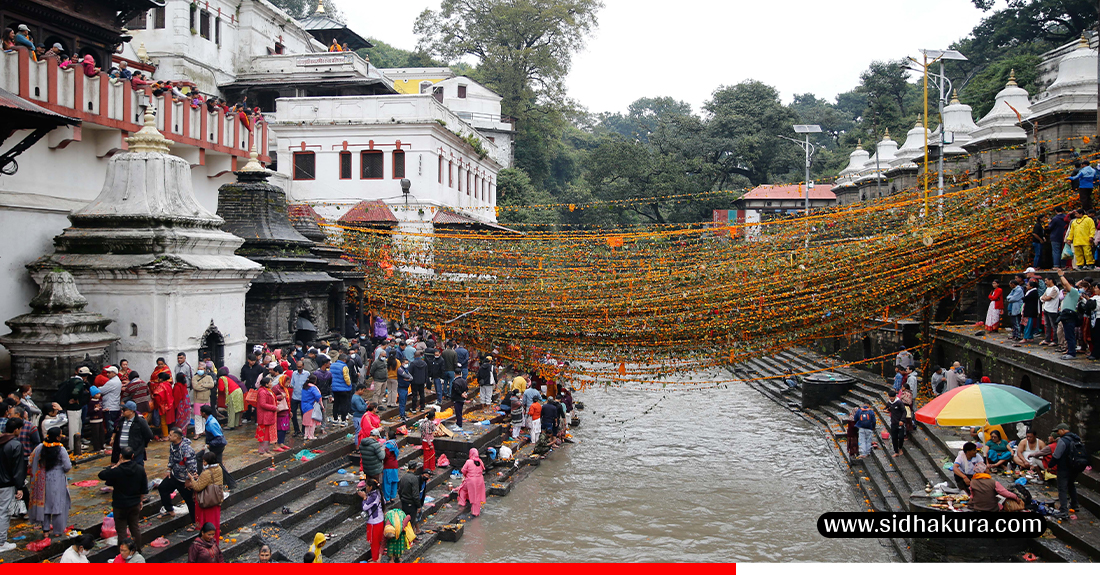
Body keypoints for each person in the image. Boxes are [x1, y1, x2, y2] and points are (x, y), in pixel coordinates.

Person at [98, 446, 148, 548]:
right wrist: (141, 500)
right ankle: (137, 549)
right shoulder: (140, 469)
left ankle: (123, 552)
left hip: (120, 504)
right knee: (135, 528)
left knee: (121, 531)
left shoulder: (117, 470)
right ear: (133, 456)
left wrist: (116, 465)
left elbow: (101, 475)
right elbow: (144, 487)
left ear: (120, 456)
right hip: (134, 503)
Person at [27, 426, 71, 540]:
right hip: (57, 479)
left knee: (45, 505)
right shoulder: (61, 449)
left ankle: (45, 531)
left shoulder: (40, 448)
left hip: (42, 480)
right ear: (57, 437)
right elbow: (67, 466)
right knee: (57, 504)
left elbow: (31, 461)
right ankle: (57, 531)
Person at [158, 427, 196, 525]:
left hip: (184, 479)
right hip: (174, 475)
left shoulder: (186, 449)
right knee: (163, 488)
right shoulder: (173, 445)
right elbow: (172, 458)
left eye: (170, 435)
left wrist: (189, 480)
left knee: (190, 502)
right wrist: (169, 469)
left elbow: (192, 466)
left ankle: (195, 522)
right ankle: (169, 510)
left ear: (176, 436)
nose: (169, 437)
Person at [0, 417, 26, 553]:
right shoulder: (15, 445)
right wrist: (19, 486)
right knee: (4, 512)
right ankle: (1, 542)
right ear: (16, 430)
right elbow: (18, 468)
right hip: (6, 483)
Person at [1051, 422, 1086, 517]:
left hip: (1064, 468)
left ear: (1063, 430)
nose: (1057, 433)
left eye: (1058, 431)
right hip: (1075, 467)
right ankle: (1075, 505)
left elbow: (1056, 455)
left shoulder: (1063, 441)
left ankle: (1063, 511)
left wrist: (1050, 465)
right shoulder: (1077, 439)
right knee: (1071, 485)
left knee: (1062, 488)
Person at [198, 405, 236, 489]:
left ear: (204, 413)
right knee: (218, 464)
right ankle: (230, 483)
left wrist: (209, 445)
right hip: (217, 446)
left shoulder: (211, 423)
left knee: (199, 457)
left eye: (201, 412)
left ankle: (200, 478)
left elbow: (219, 438)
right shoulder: (210, 420)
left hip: (216, 447)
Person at [188, 451, 224, 538]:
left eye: (204, 461)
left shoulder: (207, 473)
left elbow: (197, 487)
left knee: (207, 523)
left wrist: (192, 479)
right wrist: (200, 478)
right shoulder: (219, 468)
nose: (203, 463)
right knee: (215, 523)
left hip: (207, 501)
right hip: (216, 498)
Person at [1055, 269, 1085, 359]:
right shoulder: (1068, 293)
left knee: (1070, 335)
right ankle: (1070, 351)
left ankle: (1072, 353)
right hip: (1065, 315)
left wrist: (1061, 275)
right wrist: (1061, 277)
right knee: (1067, 335)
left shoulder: (1074, 292)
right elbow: (1064, 284)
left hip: (1070, 315)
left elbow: (1066, 284)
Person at [359, 479, 385, 562]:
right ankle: (376, 557)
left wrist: (364, 498)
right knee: (378, 541)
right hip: (379, 520)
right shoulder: (378, 493)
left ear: (370, 487)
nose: (365, 488)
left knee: (374, 542)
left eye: (366, 486)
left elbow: (365, 507)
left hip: (374, 522)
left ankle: (375, 559)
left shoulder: (373, 496)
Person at [457, 447, 486, 517]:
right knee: (477, 496)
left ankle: (462, 502)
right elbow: (482, 470)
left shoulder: (469, 462)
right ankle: (476, 511)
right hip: (480, 481)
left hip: (471, 481)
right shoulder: (480, 461)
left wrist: (465, 475)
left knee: (462, 489)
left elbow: (463, 470)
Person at [397, 462, 424, 533]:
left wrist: (402, 498)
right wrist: (418, 506)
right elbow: (415, 494)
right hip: (411, 503)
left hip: (404, 502)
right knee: (411, 522)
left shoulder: (403, 477)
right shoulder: (414, 479)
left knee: (405, 520)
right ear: (415, 468)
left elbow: (399, 491)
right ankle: (410, 539)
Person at [255, 376, 278, 454]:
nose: (271, 384)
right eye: (270, 382)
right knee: (264, 434)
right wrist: (274, 407)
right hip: (264, 416)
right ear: (266, 384)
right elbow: (262, 404)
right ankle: (262, 450)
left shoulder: (268, 391)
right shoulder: (262, 392)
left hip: (269, 415)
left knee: (268, 434)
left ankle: (266, 449)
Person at [331, 354, 353, 424]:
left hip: (334, 388)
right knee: (344, 404)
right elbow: (346, 377)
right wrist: (349, 384)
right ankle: (343, 419)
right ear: (344, 360)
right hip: (344, 388)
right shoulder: (344, 366)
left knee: (336, 403)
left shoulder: (332, 365)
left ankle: (335, 418)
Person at [885, 390, 906, 457]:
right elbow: (886, 408)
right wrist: (886, 410)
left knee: (901, 437)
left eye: (892, 397)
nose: (891, 399)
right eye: (890, 397)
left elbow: (904, 411)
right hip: (893, 422)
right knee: (894, 437)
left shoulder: (899, 403)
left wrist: (902, 420)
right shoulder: (889, 403)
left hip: (899, 422)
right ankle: (896, 451)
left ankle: (900, 448)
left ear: (895, 396)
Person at [301, 375, 323, 440]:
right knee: (312, 422)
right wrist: (318, 401)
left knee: (306, 422)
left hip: (304, 406)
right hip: (311, 406)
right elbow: (318, 395)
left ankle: (306, 435)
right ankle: (311, 435)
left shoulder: (304, 387)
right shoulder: (313, 388)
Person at [382, 428, 400, 502]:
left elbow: (385, 456)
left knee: (387, 482)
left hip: (388, 466)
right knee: (394, 481)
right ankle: (392, 497)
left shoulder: (387, 445)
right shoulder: (395, 444)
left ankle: (387, 498)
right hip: (394, 465)